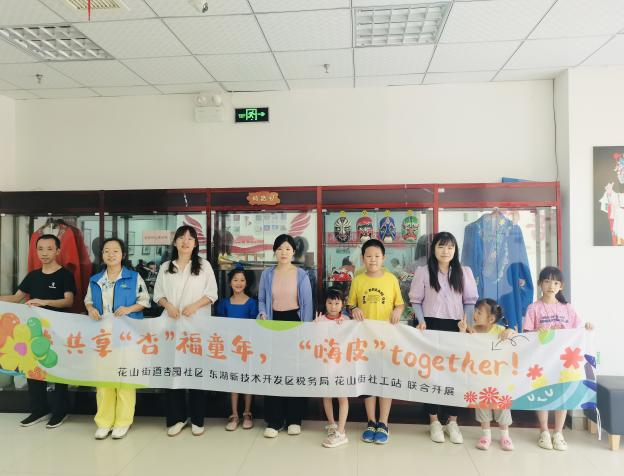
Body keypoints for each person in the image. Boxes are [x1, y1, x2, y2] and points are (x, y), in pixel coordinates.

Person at [408, 231, 478, 444]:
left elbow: (469, 301)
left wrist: (467, 324)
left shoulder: (464, 272)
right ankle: (434, 420)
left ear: (455, 250)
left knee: (455, 373)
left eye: (450, 247)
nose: (445, 251)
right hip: (430, 325)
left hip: (456, 327)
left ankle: (453, 421)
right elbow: (416, 300)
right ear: (433, 249)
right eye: (441, 246)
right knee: (432, 373)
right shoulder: (423, 272)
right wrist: (421, 321)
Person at [0, 234, 76, 429]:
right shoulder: (33, 276)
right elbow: (16, 298)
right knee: (34, 370)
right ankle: (39, 409)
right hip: (34, 332)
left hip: (58, 332)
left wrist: (44, 302)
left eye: (50, 248)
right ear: (36, 251)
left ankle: (60, 411)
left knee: (58, 371)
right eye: (40, 249)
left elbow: (69, 301)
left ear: (58, 251)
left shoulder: (65, 275)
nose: (44, 253)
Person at [153, 225, 218, 437]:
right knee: (174, 371)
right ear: (175, 242)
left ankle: (197, 419)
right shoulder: (166, 267)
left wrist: (195, 306)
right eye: (181, 238)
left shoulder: (204, 265)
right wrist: (168, 305)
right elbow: (158, 294)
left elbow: (212, 294)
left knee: (195, 371)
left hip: (196, 327)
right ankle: (177, 418)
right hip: (171, 327)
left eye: (190, 238)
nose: (185, 241)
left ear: (196, 243)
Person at [84, 238, 150, 440]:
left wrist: (129, 309)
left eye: (115, 250)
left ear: (123, 254)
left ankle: (123, 422)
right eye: (106, 251)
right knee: (104, 380)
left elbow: (145, 301)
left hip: (126, 336)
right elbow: (88, 301)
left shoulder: (133, 277)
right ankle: (104, 422)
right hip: (102, 337)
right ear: (102, 255)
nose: (111, 254)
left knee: (124, 380)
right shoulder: (95, 279)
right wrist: (91, 309)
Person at [523, 266, 594, 451]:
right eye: (547, 281)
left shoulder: (567, 308)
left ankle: (558, 432)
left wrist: (586, 327)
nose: (551, 286)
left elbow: (577, 331)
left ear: (561, 286)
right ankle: (544, 431)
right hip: (542, 360)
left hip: (564, 360)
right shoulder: (533, 308)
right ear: (540, 284)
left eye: (555, 282)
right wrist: (538, 332)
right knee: (542, 392)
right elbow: (526, 335)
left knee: (562, 394)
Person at [347, 238, 405, 445]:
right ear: (363, 258)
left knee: (385, 380)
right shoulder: (358, 280)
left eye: (377, 256)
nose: (373, 259)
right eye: (369, 256)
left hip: (386, 339)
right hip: (364, 340)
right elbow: (350, 305)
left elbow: (400, 304)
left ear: (383, 258)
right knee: (368, 380)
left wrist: (398, 311)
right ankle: (371, 422)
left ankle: (384, 423)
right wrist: (354, 309)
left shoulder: (391, 279)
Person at [258, 234, 313, 438]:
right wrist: (262, 313)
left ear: (293, 252)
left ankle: (294, 419)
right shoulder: (267, 274)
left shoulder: (301, 275)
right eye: (280, 248)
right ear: (274, 251)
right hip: (273, 322)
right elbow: (261, 299)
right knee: (274, 370)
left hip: (294, 322)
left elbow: (307, 304)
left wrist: (305, 331)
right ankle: (274, 420)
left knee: (294, 371)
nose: (284, 252)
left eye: (288, 249)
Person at [458, 298, 515, 451]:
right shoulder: (472, 330)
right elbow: (463, 346)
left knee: (501, 405)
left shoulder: (499, 330)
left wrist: (509, 331)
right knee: (482, 405)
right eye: (475, 311)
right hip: (480, 377)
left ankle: (505, 436)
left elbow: (513, 336)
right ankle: (486, 435)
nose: (475, 315)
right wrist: (463, 331)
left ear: (491, 319)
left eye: (479, 313)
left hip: (498, 378)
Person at [215, 267, 259, 431]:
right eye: (235, 280)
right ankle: (234, 414)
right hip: (230, 348)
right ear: (230, 283)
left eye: (242, 280)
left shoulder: (252, 303)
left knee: (247, 380)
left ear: (246, 283)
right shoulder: (224, 303)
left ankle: (247, 413)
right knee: (233, 380)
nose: (238, 283)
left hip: (247, 348)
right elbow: (220, 326)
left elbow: (255, 327)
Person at [315, 288, 350, 448]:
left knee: (342, 397)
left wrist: (345, 326)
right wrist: (315, 326)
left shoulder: (346, 320)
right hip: (325, 365)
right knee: (327, 395)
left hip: (341, 367)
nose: (333, 307)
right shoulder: (320, 320)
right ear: (325, 303)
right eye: (330, 303)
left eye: (337, 303)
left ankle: (341, 432)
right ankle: (331, 424)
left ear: (342, 304)